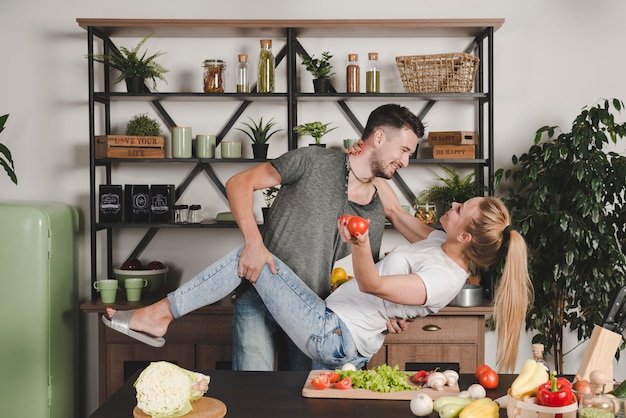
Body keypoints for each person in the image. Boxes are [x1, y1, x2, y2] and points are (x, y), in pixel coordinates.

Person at [104, 194, 532, 372]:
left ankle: (158, 315)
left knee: (249, 254)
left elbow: (373, 286)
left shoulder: (445, 278)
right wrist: (375, 162)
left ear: (466, 237)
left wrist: (359, 241)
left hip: (334, 334)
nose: (454, 204)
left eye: (461, 208)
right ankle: (158, 316)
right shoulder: (440, 242)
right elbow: (399, 214)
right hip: (334, 321)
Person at [224, 103, 424, 371]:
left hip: (313, 313)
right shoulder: (311, 160)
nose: (406, 161)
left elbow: (363, 275)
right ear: (378, 138)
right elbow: (239, 183)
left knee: (301, 398)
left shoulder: (379, 203)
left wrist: (387, 312)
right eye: (404, 150)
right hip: (260, 294)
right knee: (253, 393)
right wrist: (253, 243)